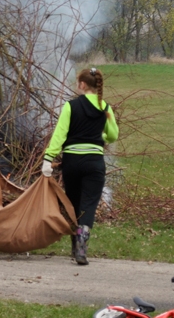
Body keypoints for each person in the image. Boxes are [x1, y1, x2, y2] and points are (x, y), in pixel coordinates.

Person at [41, 67, 119, 265]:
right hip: (94, 162)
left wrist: (48, 158)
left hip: (72, 162)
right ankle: (82, 249)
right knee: (89, 205)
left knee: (74, 204)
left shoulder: (70, 106)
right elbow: (113, 135)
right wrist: (100, 136)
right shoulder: (106, 108)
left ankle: (74, 246)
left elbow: (60, 134)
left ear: (82, 85)